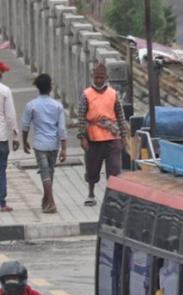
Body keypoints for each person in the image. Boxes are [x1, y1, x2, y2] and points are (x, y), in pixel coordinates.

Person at [76, 62, 128, 207]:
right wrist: (82, 137)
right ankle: (91, 193)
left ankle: (112, 197)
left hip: (112, 136)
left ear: (106, 77)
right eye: (97, 77)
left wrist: (123, 136)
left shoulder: (113, 94)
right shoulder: (86, 94)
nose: (99, 80)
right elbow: (81, 117)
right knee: (92, 168)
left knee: (114, 169)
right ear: (92, 77)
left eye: (102, 77)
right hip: (94, 137)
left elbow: (120, 115)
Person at [21, 74, 68, 214]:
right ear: (50, 87)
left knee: (45, 172)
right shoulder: (57, 106)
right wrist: (64, 148)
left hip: (40, 144)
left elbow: (25, 125)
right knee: (49, 172)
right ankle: (46, 200)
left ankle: (51, 202)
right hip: (54, 144)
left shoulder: (31, 105)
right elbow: (61, 129)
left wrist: (24, 142)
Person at [0, 61, 19, 213]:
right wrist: (16, 136)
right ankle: (1, 203)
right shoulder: (5, 90)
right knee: (1, 170)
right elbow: (11, 116)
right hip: (1, 138)